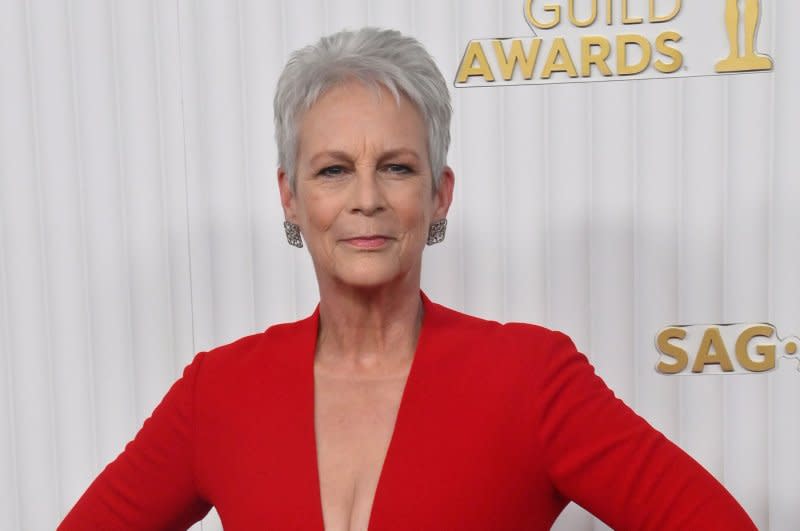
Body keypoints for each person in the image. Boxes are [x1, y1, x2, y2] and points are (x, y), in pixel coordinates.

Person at [59, 27, 756, 530]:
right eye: (334, 169)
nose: (367, 197)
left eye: (396, 166)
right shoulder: (218, 391)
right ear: (291, 197)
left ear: (439, 194)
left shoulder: (529, 377)